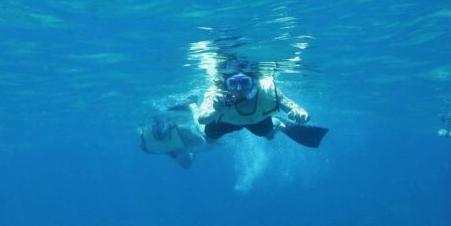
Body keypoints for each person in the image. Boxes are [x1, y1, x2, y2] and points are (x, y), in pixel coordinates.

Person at [196, 59, 328, 148]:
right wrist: (218, 110)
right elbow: (202, 118)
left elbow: (293, 107)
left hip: (256, 119)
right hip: (225, 121)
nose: (239, 89)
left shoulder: (266, 90)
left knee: (270, 136)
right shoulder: (217, 94)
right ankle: (191, 106)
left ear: (254, 82)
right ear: (225, 84)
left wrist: (301, 114)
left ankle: (277, 122)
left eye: (245, 82)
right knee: (208, 140)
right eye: (233, 83)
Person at [139, 101, 208, 169]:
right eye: (155, 125)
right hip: (175, 145)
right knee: (185, 162)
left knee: (186, 161)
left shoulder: (181, 131)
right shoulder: (147, 144)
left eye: (160, 125)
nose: (157, 128)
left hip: (180, 144)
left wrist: (185, 150)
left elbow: (202, 141)